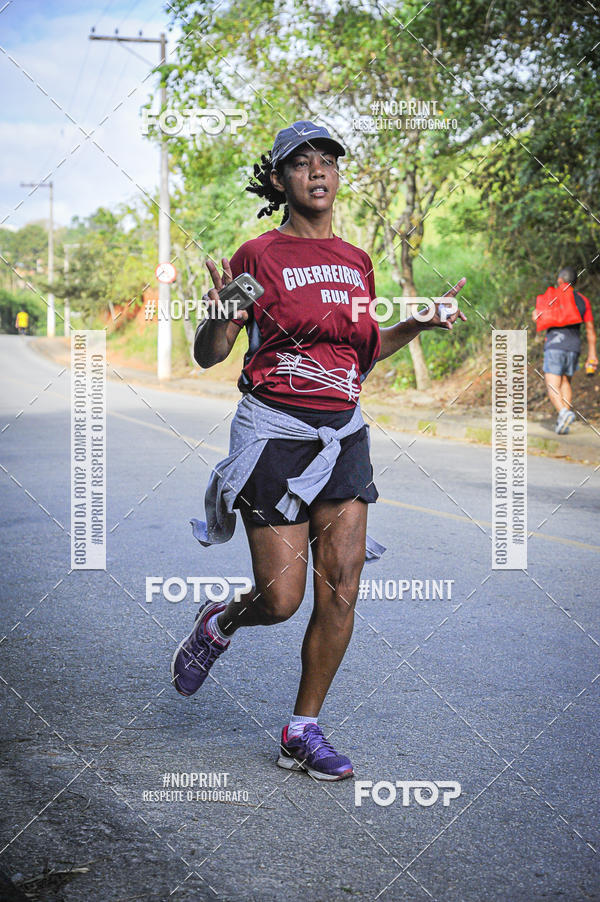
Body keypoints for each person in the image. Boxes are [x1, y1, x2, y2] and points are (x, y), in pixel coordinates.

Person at [171, 120, 466, 781]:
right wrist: (219, 314)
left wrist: (417, 323)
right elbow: (209, 353)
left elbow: (362, 352)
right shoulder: (257, 257)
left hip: (343, 434)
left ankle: (301, 730)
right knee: (280, 600)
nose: (318, 171)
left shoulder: (356, 261)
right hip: (275, 431)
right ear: (279, 181)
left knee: (342, 587)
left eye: (327, 160)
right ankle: (222, 619)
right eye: (301, 163)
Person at [533, 266, 597, 434]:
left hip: (555, 345)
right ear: (575, 282)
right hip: (574, 347)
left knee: (552, 383)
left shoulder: (552, 297)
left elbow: (537, 316)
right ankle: (564, 422)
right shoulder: (583, 300)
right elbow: (590, 330)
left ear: (560, 280)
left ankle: (563, 412)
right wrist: (592, 354)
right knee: (566, 382)